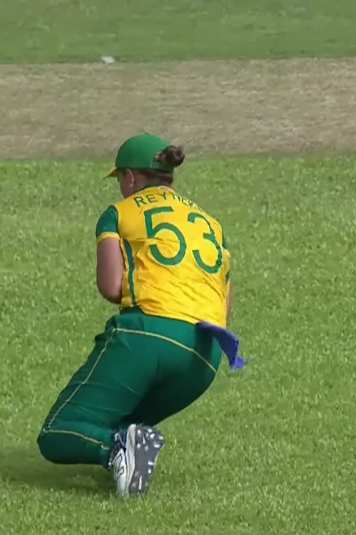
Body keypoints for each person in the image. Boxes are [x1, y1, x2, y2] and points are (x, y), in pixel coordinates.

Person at [37, 133, 243, 497]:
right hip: (206, 355)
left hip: (149, 336)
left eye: (120, 179)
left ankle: (115, 451)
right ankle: (126, 454)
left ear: (131, 177)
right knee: (120, 422)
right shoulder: (211, 223)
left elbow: (111, 287)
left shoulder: (119, 213)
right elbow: (224, 302)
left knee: (60, 432)